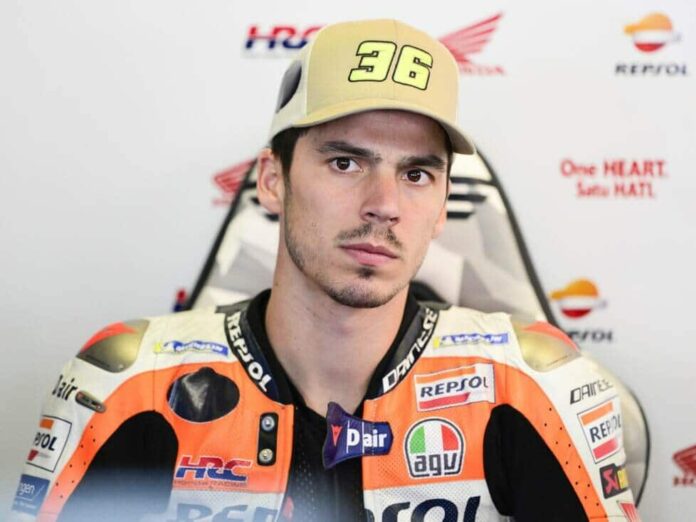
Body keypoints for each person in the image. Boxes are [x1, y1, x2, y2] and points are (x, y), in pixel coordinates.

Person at [10, 19, 638, 522]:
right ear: (273, 180)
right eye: (345, 163)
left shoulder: (529, 387)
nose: (384, 204)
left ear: (444, 205)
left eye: (417, 174)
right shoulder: (131, 385)